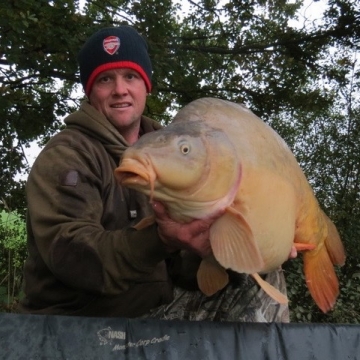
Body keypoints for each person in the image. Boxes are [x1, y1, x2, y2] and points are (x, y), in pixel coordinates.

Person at [18, 26, 291, 322]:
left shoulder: (171, 150)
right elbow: (74, 260)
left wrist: (232, 249)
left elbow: (182, 271)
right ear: (90, 91)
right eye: (105, 79)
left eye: (130, 77)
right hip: (74, 324)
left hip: (153, 315)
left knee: (262, 277)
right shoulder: (68, 153)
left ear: (146, 85)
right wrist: (162, 238)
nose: (120, 89)